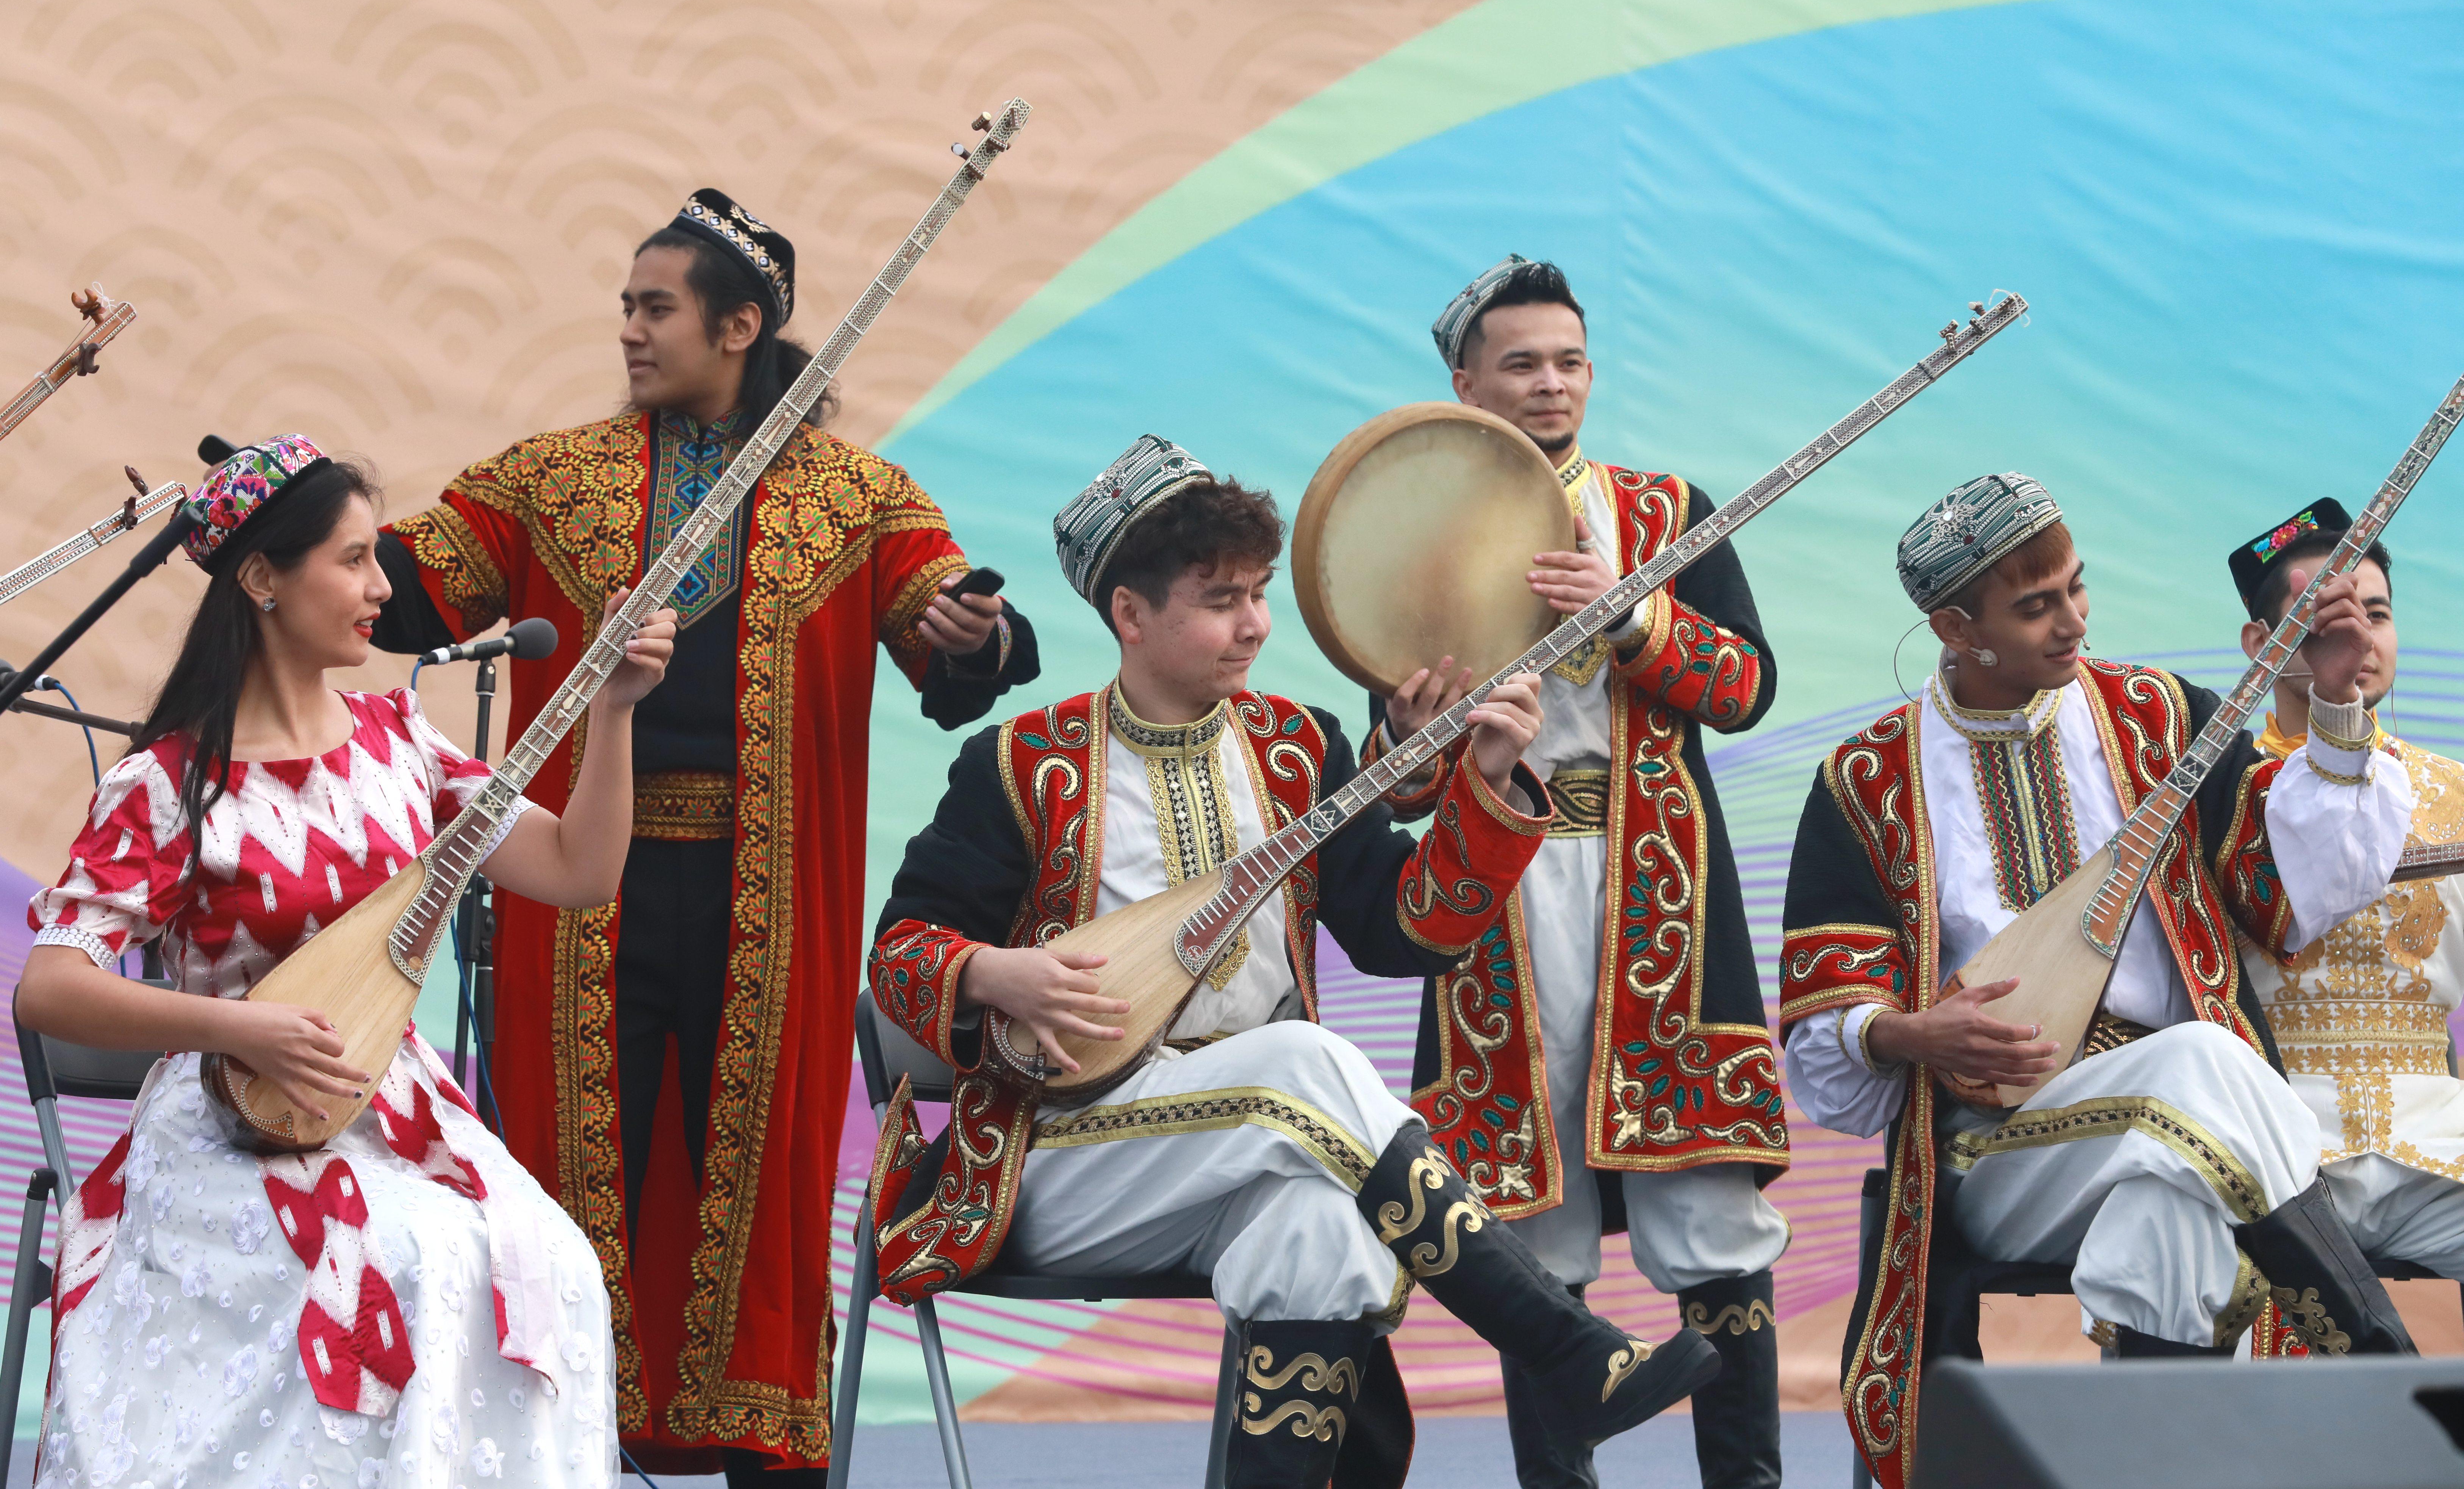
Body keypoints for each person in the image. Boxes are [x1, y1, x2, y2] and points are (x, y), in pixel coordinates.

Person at [864, 436, 1721, 1488]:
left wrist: (1489, 781)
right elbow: (901, 955)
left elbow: (1411, 933)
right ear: (1131, 614)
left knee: (1327, 1234)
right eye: (1221, 600)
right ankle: (1562, 1345)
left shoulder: (1296, 750)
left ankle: (1553, 1360)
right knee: (1305, 1060)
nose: (1256, 624)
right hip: (1061, 1154)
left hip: (1255, 1143)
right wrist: (994, 976)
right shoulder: (1021, 763)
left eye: (1260, 594)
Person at [368, 190, 1037, 1479]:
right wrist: (278, 527)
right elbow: (403, 588)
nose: (629, 329)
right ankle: (559, 1438)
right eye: (625, 306)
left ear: (740, 327)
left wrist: (977, 633)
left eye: (655, 308)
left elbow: (953, 630)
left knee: (761, 1186)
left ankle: (761, 1447)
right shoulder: (550, 479)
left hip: (767, 900)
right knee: (562, 1176)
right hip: (580, 886)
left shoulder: (856, 498)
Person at [15, 434, 677, 1489]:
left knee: (548, 1261)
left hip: (394, 1102)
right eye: (355, 559)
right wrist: (239, 1027)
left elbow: (577, 868)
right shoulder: (169, 783)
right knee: (400, 1263)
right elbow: (50, 984)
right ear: (262, 577)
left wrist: (615, 713)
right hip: (233, 1124)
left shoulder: (398, 741)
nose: (383, 589)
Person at [1780, 472, 2415, 1489]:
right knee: (2204, 1064)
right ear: (1955, 628)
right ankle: (2386, 1377)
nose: (2074, 619)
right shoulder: (1870, 778)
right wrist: (1908, 1033)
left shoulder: (2157, 715)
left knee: (2172, 1223)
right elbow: (1825, 1024)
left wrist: (2335, 705)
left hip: (2193, 1135)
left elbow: (2294, 894)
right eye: (2037, 606)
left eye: (2077, 586)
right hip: (1998, 1152)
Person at [1372, 256, 1787, 1489]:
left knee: (1709, 1206)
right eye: (1521, 364)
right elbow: (1391, 785)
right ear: (1465, 385)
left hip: (1659, 890)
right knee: (1528, 1222)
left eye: (1569, 361)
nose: (1551, 384)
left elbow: (1746, 688)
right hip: (1500, 889)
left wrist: (1632, 615)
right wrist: (1410, 733)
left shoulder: (1667, 513)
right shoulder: (1414, 537)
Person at [2226, 498, 2464, 1351]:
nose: (2359, 637)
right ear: (2262, 645)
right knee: (2179, 1262)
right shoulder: (2218, 793)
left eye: (2378, 614)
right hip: (2274, 1143)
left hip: (2437, 1135)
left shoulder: (2455, 793)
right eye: (2329, 617)